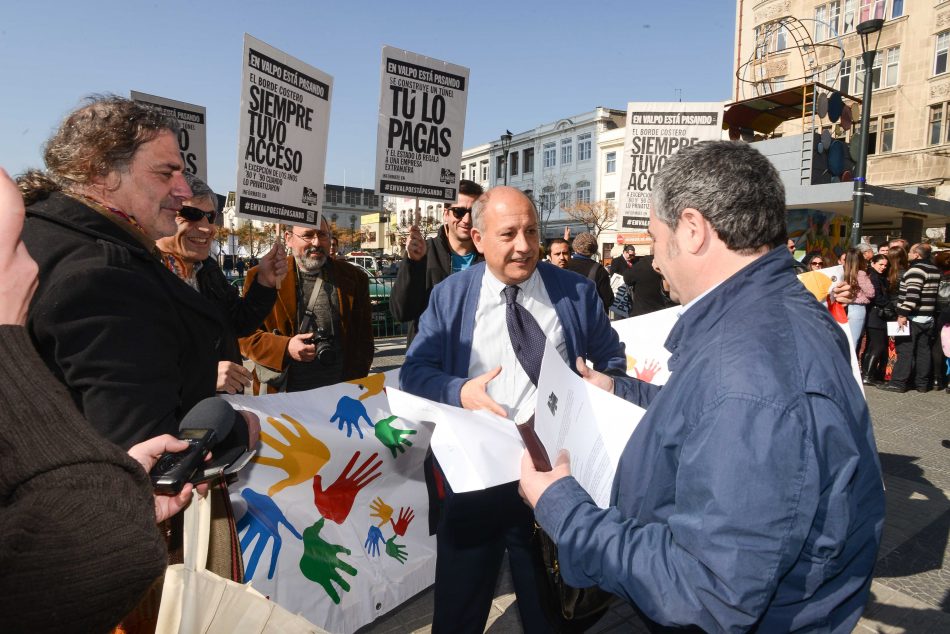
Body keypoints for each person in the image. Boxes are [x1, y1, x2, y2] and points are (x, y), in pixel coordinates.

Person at [520, 141, 884, 632]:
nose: (654, 261)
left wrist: (564, 510)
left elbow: (706, 589)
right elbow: (707, 415)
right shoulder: (769, 320)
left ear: (692, 230)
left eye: (655, 238)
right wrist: (621, 390)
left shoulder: (749, 372)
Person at [400, 186, 627, 633]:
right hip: (474, 481)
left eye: (531, 232)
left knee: (549, 610)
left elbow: (612, 359)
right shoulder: (450, 296)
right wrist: (460, 391)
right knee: (459, 609)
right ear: (478, 238)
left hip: (549, 479)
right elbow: (414, 372)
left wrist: (599, 385)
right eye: (508, 234)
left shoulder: (576, 293)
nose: (524, 246)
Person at [0, 167, 208, 633]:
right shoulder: (99, 272)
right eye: (13, 245)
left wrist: (126, 495)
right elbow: (83, 563)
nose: (29, 266)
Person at [19, 96, 257, 449]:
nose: (183, 191)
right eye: (166, 173)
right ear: (100, 171)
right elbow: (142, 448)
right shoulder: (103, 278)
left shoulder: (35, 235)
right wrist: (236, 432)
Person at [157, 174, 284, 394]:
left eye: (210, 217)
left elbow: (239, 324)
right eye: (191, 215)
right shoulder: (136, 274)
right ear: (160, 213)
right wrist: (203, 376)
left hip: (226, 406)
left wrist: (264, 282)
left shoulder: (209, 269)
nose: (207, 228)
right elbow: (130, 368)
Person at [240, 217, 373, 393]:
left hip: (340, 394)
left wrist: (354, 385)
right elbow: (244, 336)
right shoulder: (262, 276)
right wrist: (285, 347)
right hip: (283, 394)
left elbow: (364, 340)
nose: (316, 242)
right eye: (308, 235)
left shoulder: (355, 278)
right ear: (288, 238)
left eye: (322, 235)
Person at [390, 179, 485, 344]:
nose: (467, 219)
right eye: (459, 212)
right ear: (446, 214)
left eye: (474, 212)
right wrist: (413, 263)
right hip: (430, 353)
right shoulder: (423, 252)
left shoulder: (489, 256)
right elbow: (401, 312)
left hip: (475, 353)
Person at [881, 243, 942, 393]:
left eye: (910, 252)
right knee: (923, 351)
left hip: (913, 317)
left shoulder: (916, 270)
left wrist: (902, 314)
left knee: (905, 350)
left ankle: (898, 383)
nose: (907, 253)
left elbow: (912, 295)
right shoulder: (934, 269)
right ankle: (922, 384)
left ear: (917, 255)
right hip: (928, 316)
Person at [566, 232, 614, 312]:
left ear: (575, 247)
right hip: (591, 315)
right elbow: (608, 300)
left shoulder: (564, 266)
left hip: (568, 314)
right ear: (594, 249)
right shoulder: (599, 270)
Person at [862, 254, 891, 385]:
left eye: (885, 265)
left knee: (872, 345)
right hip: (876, 316)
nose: (883, 267)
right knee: (878, 345)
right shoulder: (874, 277)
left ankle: (867, 374)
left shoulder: (876, 276)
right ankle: (868, 375)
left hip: (874, 315)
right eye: (881, 264)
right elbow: (877, 297)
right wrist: (889, 305)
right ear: (873, 263)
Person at [844, 246, 875, 353]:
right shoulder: (860, 274)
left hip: (844, 308)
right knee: (853, 341)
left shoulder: (843, 272)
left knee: (846, 339)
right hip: (858, 308)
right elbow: (871, 292)